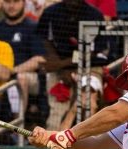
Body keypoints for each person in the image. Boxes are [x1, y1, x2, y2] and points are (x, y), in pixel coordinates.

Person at [35, 0, 104, 130]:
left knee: (88, 107)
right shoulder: (51, 12)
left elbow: (93, 51)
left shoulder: (94, 15)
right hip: (59, 71)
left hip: (90, 67)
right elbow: (44, 40)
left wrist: (62, 65)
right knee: (55, 119)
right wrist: (61, 69)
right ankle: (54, 147)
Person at [0, 0, 46, 115]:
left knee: (21, 78)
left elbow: (39, 59)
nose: (11, 6)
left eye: (16, 1)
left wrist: (12, 71)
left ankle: (17, 126)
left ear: (24, 3)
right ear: (1, 3)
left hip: (28, 76)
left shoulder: (33, 27)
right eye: (7, 2)